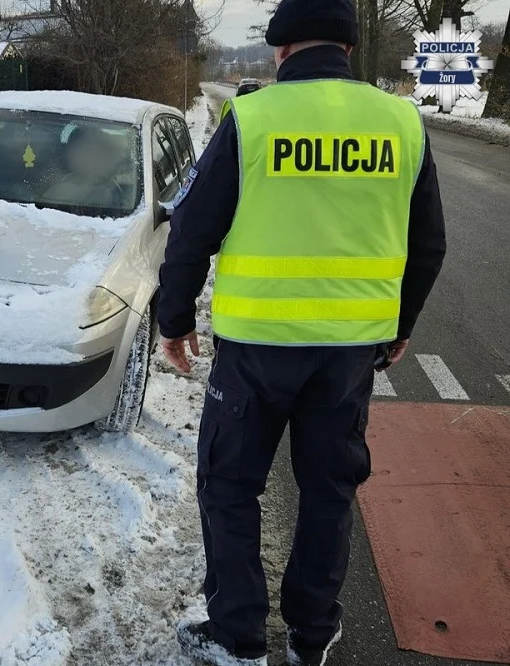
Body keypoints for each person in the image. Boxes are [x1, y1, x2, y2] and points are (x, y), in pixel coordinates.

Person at [156, 0, 447, 664]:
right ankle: (312, 636)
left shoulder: (253, 118)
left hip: (256, 350)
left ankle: (238, 637)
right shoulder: (402, 122)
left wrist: (174, 320)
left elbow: (192, 230)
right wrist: (399, 325)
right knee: (327, 493)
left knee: (230, 486)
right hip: (348, 354)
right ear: (348, 49)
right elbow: (429, 243)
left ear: (281, 50)